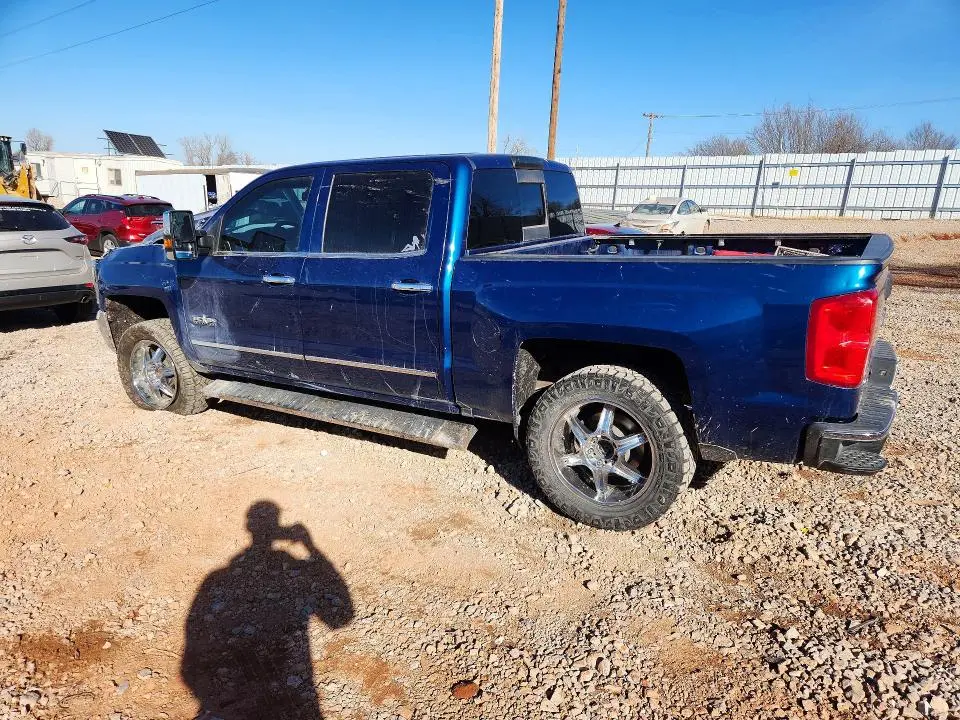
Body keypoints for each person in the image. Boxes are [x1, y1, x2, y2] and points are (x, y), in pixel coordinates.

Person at [181, 501, 353, 720]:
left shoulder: (217, 579)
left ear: (248, 527)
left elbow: (193, 654)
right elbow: (341, 617)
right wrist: (310, 546)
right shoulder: (222, 578)